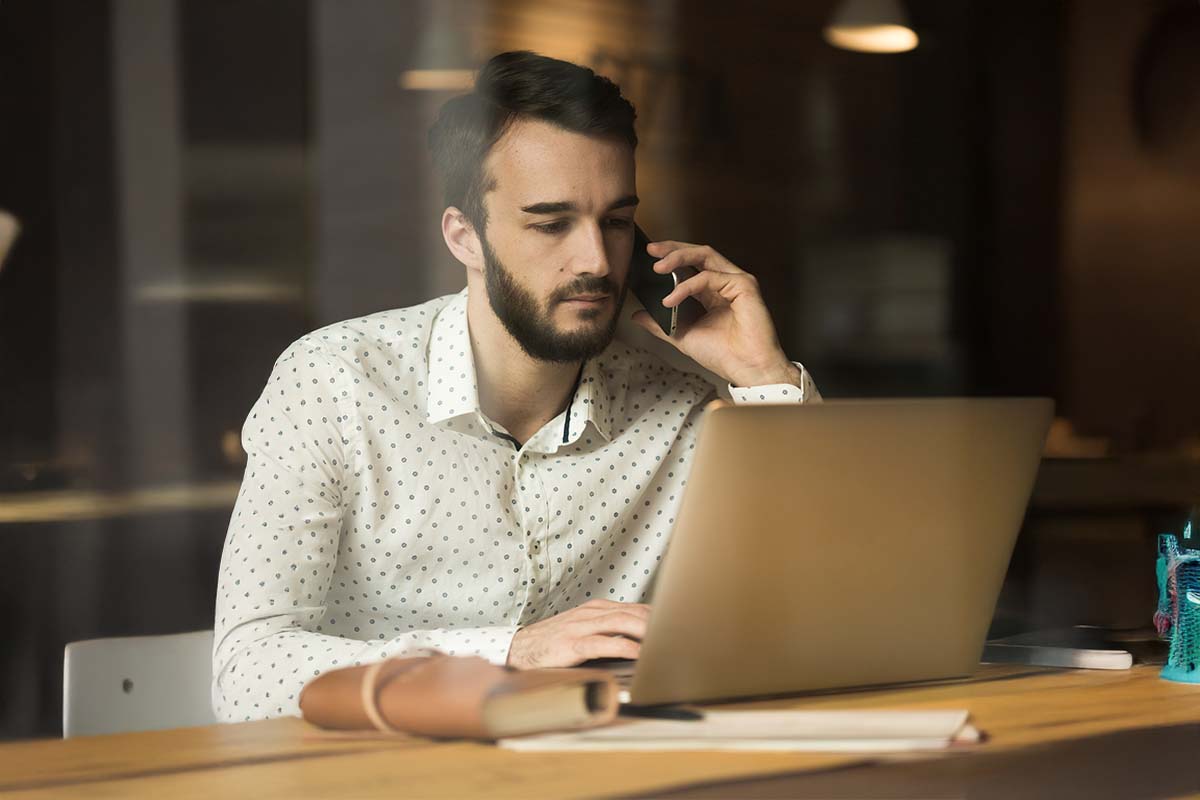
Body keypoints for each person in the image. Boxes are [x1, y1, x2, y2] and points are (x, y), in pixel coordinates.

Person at [212, 51, 820, 722]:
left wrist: (764, 377)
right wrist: (508, 651)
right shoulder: (333, 382)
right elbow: (248, 673)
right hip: (379, 765)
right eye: (551, 224)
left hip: (608, 761)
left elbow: (820, 607)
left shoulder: (683, 406)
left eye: (616, 222)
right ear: (465, 237)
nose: (596, 261)